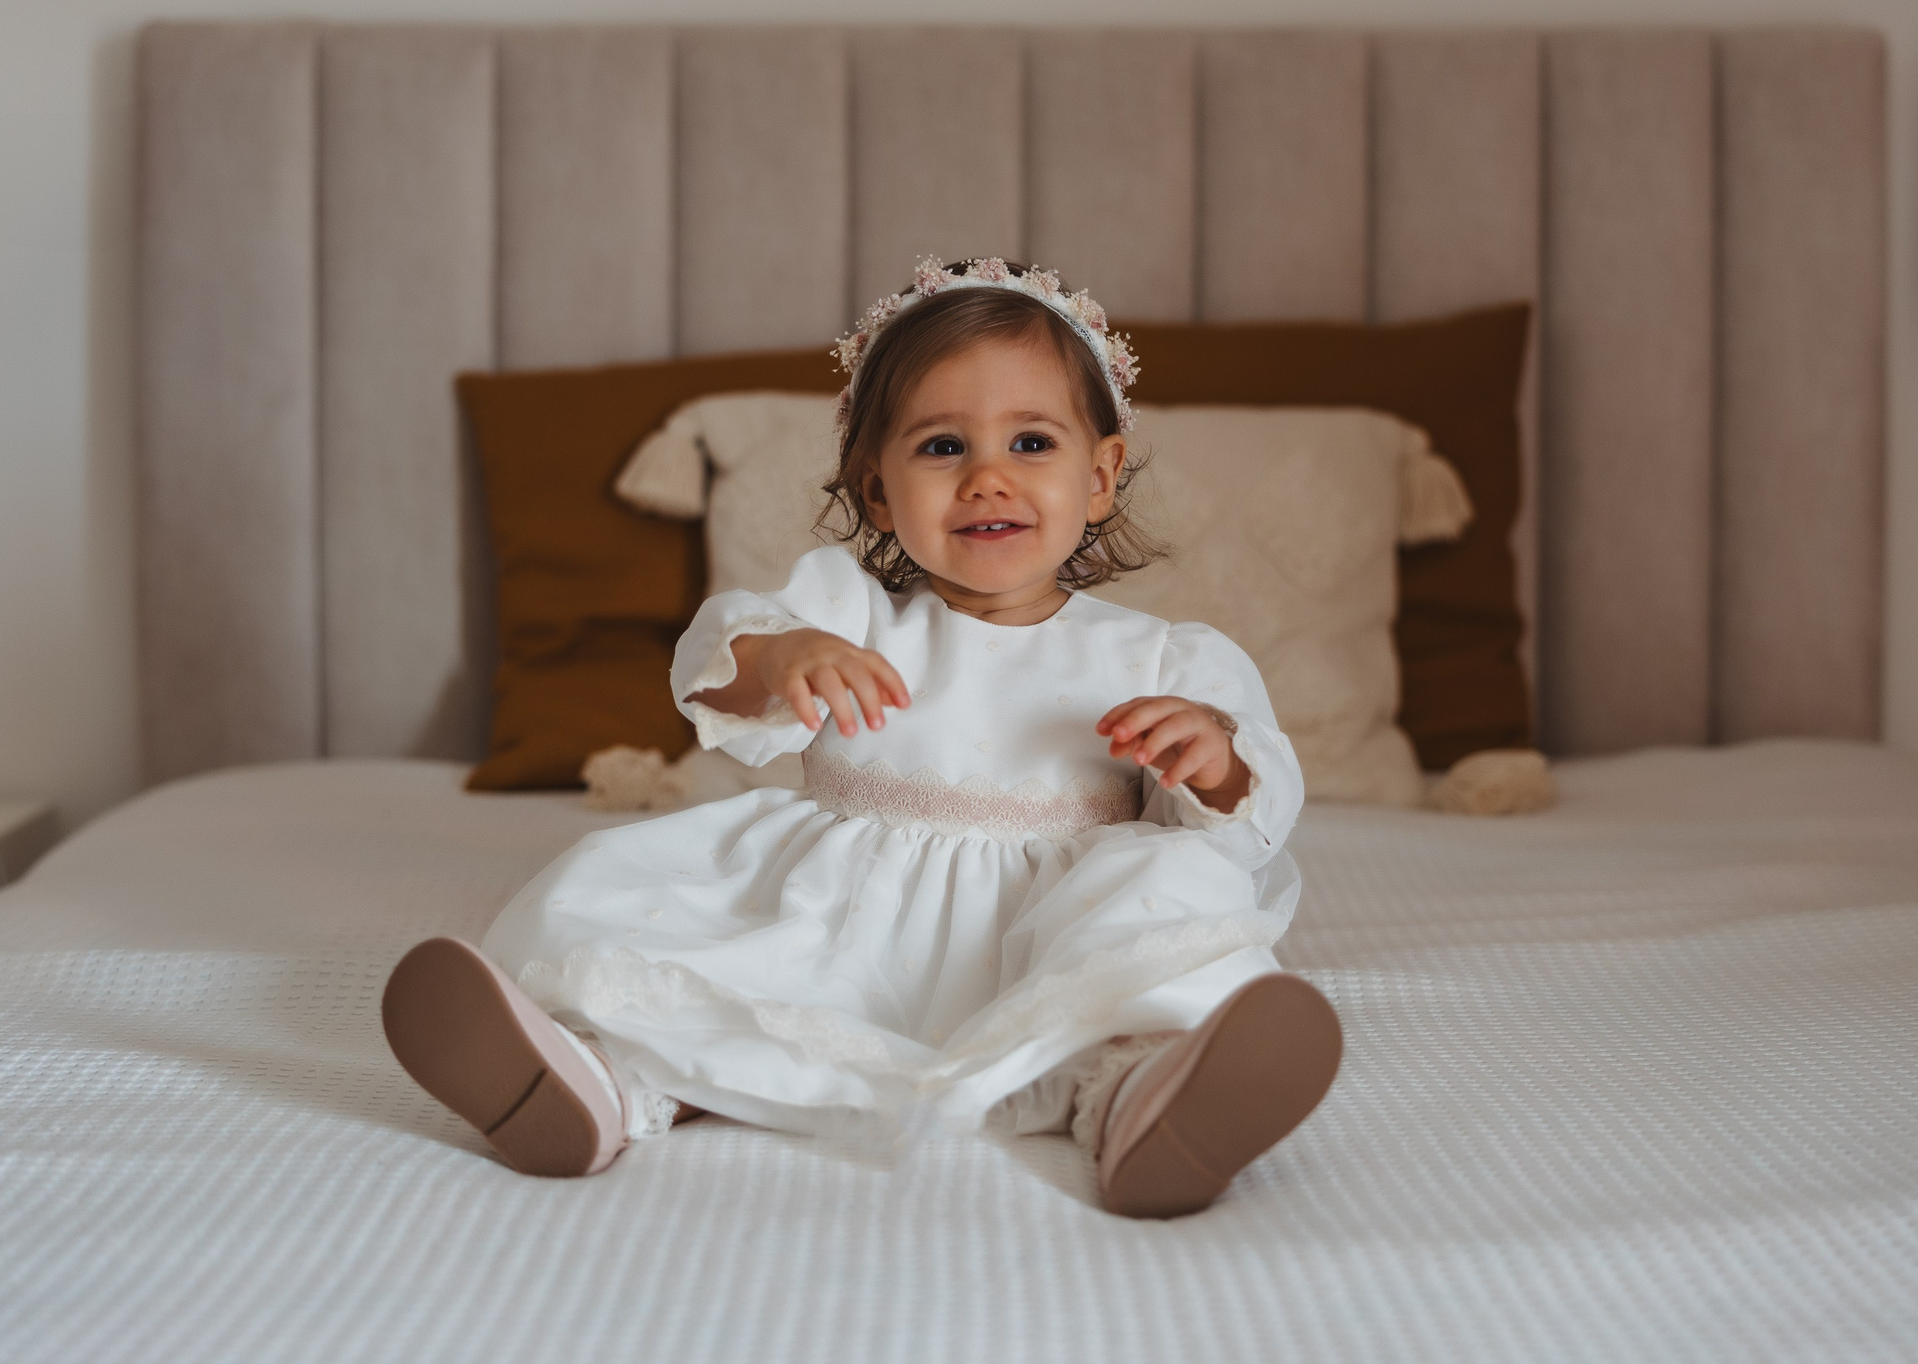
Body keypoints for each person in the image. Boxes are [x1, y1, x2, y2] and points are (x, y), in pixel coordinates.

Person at [382, 257, 1340, 1218]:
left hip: (1050, 939)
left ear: (1099, 477)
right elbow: (719, 665)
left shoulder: (1161, 659)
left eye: (1032, 441)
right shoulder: (848, 614)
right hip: (847, 924)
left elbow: (1245, 822)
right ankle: (598, 1085)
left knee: (1167, 903)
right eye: (940, 448)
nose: (987, 478)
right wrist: (785, 656)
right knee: (675, 948)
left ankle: (1139, 1098)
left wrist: (1212, 756)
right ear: (877, 493)